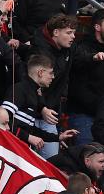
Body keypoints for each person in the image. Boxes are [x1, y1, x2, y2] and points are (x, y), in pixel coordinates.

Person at [2, 54, 78, 155]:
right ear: (40, 72)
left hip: (18, 149)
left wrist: (58, 137)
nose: (53, 77)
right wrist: (28, 137)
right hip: (8, 148)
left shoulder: (34, 92)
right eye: (51, 73)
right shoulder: (19, 89)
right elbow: (2, 122)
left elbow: (31, 130)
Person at [25, 14, 77, 157]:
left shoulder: (67, 49)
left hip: (50, 114)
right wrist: (42, 107)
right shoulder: (38, 51)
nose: (73, 36)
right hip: (29, 114)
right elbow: (33, 84)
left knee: (52, 159)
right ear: (56, 33)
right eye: (69, 33)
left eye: (74, 33)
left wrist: (92, 56)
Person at [67, 9, 104, 144]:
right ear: (97, 27)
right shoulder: (80, 47)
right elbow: (75, 65)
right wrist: (92, 58)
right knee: (87, 156)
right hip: (83, 114)